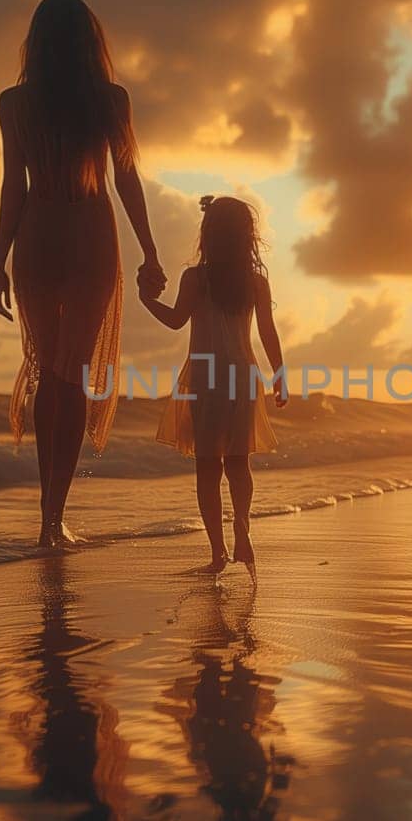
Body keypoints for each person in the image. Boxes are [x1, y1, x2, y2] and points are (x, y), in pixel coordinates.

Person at [0, 0, 166, 547]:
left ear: (35, 43)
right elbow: (126, 180)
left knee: (48, 373)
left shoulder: (14, 103)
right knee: (72, 373)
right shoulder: (110, 100)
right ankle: (56, 513)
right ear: (92, 42)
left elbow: (13, 186)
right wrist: (149, 251)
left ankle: (47, 515)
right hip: (91, 235)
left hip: (37, 237)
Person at [141, 196, 287, 579]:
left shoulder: (195, 278)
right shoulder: (255, 282)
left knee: (208, 467)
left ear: (208, 234)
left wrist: (145, 300)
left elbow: (175, 321)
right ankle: (243, 528)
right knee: (239, 463)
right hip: (243, 374)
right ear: (247, 237)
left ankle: (218, 552)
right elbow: (268, 333)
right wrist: (280, 374)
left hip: (205, 376)